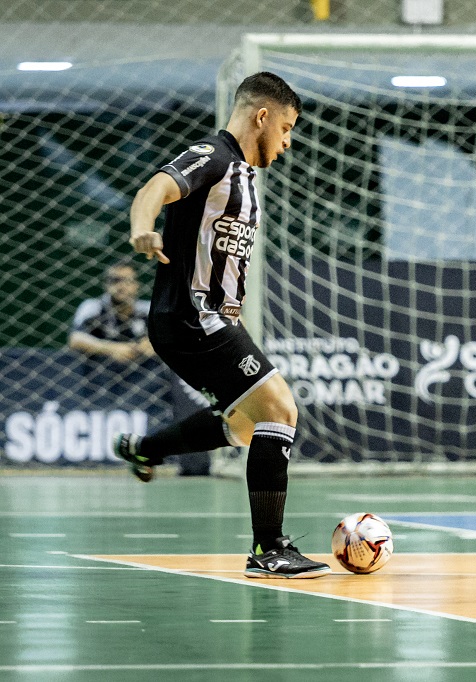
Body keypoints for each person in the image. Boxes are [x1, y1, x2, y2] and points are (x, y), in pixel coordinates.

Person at [113, 72, 330, 579]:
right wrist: (142, 229)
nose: (288, 142)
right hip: (193, 318)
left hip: (202, 320)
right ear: (262, 117)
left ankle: (146, 449)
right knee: (279, 408)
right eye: (288, 128)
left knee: (246, 426)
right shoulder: (213, 157)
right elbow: (155, 186)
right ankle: (269, 549)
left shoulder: (242, 175)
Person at [69, 260, 154, 363]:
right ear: (106, 284)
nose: (121, 286)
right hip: (103, 372)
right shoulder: (93, 306)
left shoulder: (147, 309)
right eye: (115, 280)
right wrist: (113, 349)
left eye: (128, 281)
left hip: (144, 372)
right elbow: (76, 339)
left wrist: (153, 344)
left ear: (137, 285)